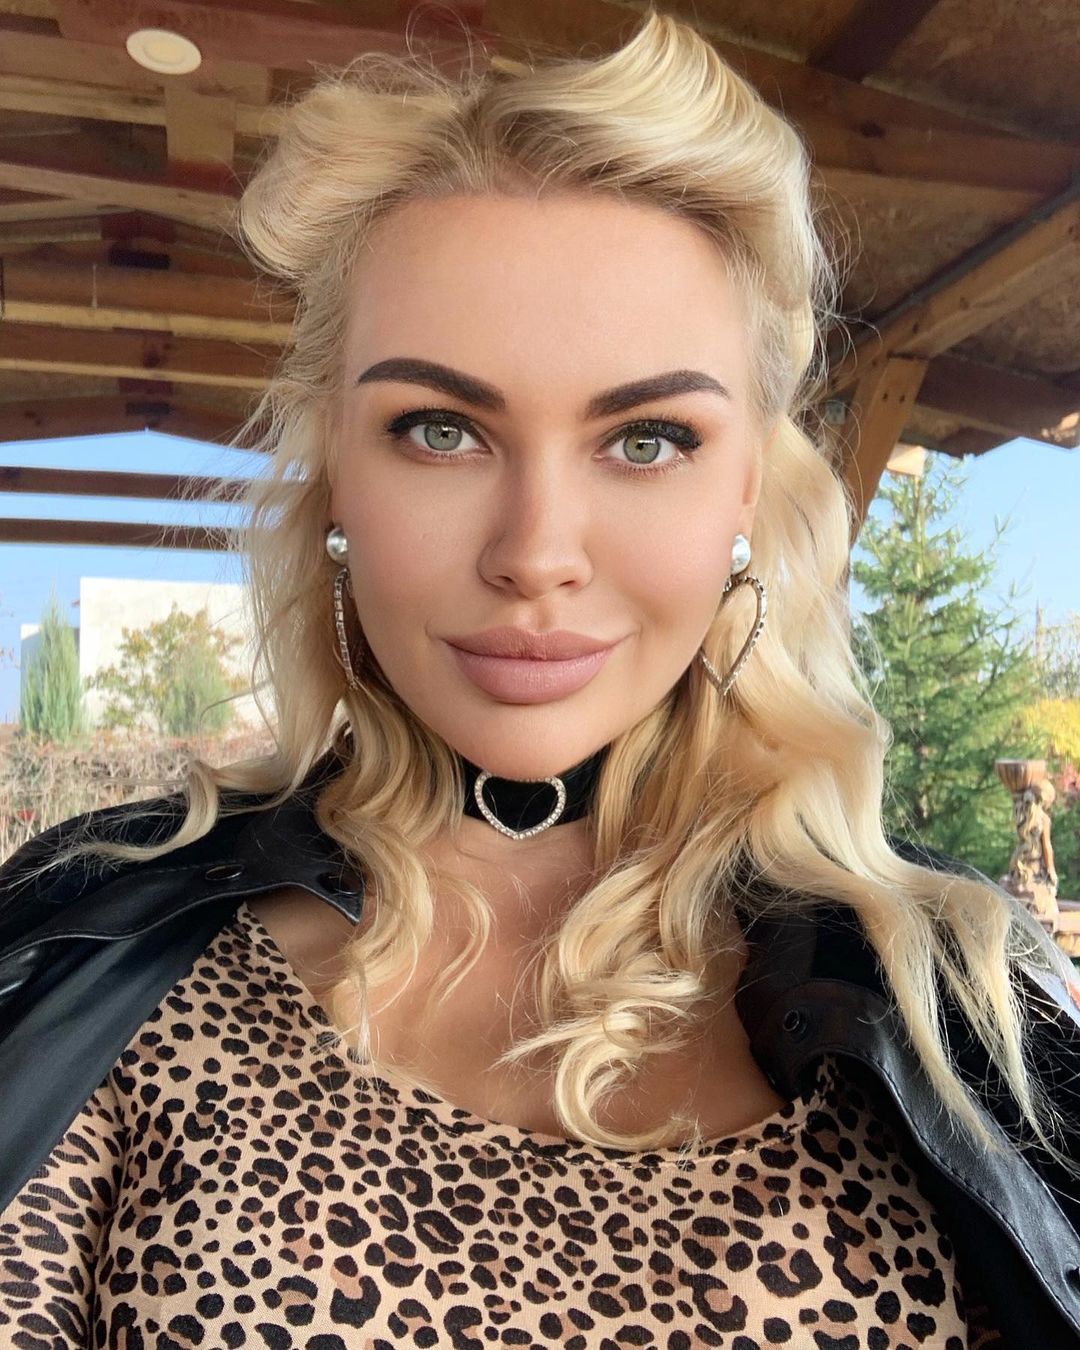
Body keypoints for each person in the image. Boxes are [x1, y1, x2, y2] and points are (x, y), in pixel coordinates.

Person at [1, 9, 1078, 1348]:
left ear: (747, 491)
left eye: (647, 439)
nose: (535, 553)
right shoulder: (94, 952)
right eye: (439, 429)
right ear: (337, 471)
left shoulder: (957, 993)